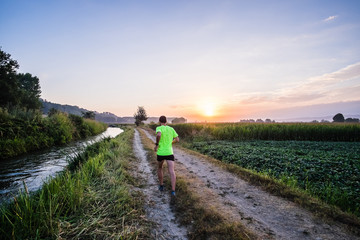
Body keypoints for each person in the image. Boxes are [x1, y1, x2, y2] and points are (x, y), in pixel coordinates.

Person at [154, 115, 179, 197]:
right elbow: (177, 139)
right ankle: (173, 191)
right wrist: (171, 142)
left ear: (159, 121)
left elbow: (158, 135)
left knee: (160, 168)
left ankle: (161, 185)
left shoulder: (159, 128)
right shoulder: (171, 129)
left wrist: (157, 145)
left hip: (161, 153)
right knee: (172, 171)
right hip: (169, 152)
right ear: (166, 121)